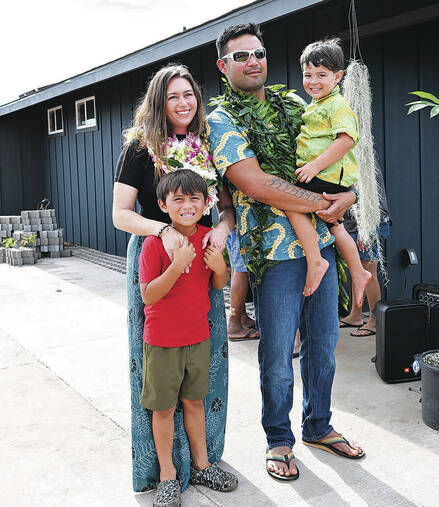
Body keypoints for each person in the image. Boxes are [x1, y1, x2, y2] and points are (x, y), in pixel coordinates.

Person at [207, 22, 364, 482]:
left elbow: (338, 153)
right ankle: (279, 438)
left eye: (258, 52)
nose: (253, 61)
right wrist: (329, 204)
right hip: (274, 252)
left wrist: (349, 195)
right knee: (277, 355)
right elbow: (255, 183)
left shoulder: (297, 102)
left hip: (322, 242)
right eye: (241, 56)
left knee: (325, 347)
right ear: (224, 65)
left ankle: (319, 425)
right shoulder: (221, 118)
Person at [112, 64, 235, 494]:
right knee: (156, 373)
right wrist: (162, 231)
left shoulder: (208, 143)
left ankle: (204, 461)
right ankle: (161, 473)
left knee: (205, 367)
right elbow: (121, 213)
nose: (183, 103)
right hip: (154, 252)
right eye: (173, 96)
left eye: (189, 95)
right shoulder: (141, 147)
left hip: (205, 256)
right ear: (159, 102)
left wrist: (221, 228)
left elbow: (226, 204)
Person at [139, 170, 238, 506]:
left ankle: (202, 465)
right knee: (164, 409)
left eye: (194, 198)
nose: (186, 205)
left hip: (198, 338)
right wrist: (176, 263)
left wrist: (220, 265)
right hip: (162, 342)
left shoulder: (210, 238)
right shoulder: (154, 244)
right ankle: (167, 475)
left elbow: (218, 285)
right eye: (177, 199)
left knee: (195, 403)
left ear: (206, 202)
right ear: (163, 205)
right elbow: (149, 296)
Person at [285, 38, 371, 301]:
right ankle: (358, 271)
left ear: (338, 77)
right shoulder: (316, 103)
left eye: (321, 75)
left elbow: (346, 140)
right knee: (336, 227)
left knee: (290, 203)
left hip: (325, 176)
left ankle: (316, 260)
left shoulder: (337, 104)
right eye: (308, 74)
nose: (313, 81)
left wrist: (313, 166)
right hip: (324, 177)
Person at [340, 169, 392, 337]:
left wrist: (365, 229)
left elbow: (369, 195)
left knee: (369, 273)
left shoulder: (361, 156)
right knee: (357, 270)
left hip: (367, 223)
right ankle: (356, 315)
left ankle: (374, 321)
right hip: (353, 223)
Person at [226, 228, 259, 341]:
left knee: (236, 267)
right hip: (242, 223)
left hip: (232, 221)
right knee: (241, 269)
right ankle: (234, 323)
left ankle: (241, 317)